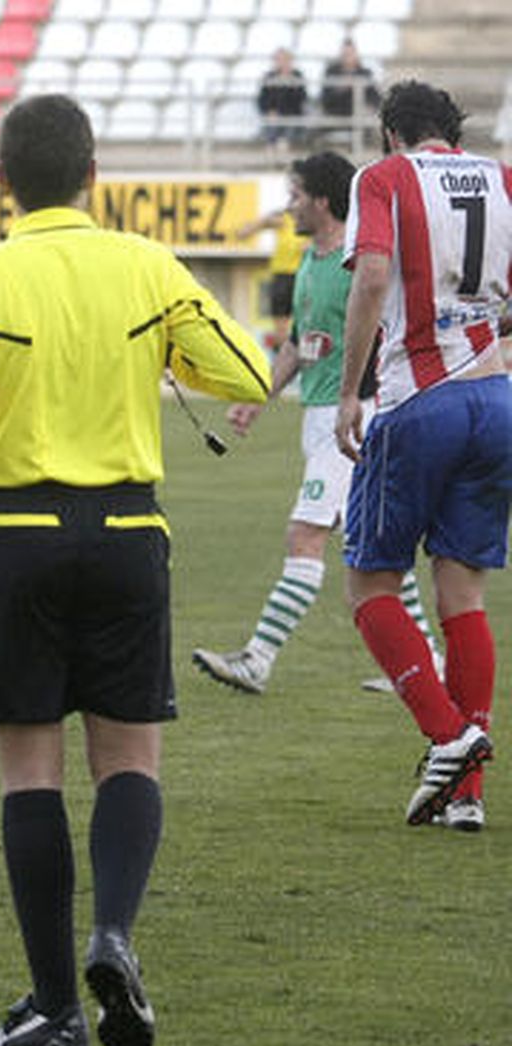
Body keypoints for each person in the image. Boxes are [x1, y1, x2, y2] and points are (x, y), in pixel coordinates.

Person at [0, 95, 269, 1046]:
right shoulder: (146, 264)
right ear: (94, 175)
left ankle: (53, 1006)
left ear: (0, 181)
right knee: (129, 759)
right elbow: (245, 371)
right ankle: (114, 931)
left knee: (30, 773)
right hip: (125, 530)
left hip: (17, 530)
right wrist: (162, 347)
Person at [193, 152, 443, 696]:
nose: (289, 206)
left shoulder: (363, 261)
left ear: (323, 201)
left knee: (304, 536)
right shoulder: (311, 259)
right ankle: (431, 663)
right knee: (372, 546)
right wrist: (260, 398)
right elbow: (299, 344)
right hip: (322, 416)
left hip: (353, 420)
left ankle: (258, 658)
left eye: (296, 195)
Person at [335, 80, 512, 832]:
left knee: (370, 582)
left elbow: (373, 275)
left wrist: (352, 390)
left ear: (390, 134)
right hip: (498, 397)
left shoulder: (382, 179)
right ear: (453, 131)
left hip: (416, 399)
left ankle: (449, 738)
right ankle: (465, 797)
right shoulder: (504, 180)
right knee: (461, 591)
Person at [235, 205, 306, 351]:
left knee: (304, 322)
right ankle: (282, 354)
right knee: (281, 325)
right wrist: (262, 223)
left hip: (301, 276)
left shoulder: (310, 222)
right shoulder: (283, 219)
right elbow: (243, 233)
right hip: (282, 275)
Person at [256, 47, 308, 155]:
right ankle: (270, 151)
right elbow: (262, 99)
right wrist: (270, 110)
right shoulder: (269, 76)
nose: (282, 63)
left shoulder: (297, 76)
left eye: (285, 59)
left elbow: (301, 99)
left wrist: (289, 82)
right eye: (279, 60)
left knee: (290, 125)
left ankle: (283, 148)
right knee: (272, 124)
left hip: (293, 114)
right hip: (274, 114)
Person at [319, 39, 381, 124]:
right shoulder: (331, 72)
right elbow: (324, 98)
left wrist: (370, 107)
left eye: (351, 54)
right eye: (345, 54)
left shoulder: (365, 73)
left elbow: (375, 97)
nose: (348, 57)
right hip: (335, 115)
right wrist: (340, 89)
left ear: (356, 54)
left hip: (359, 117)